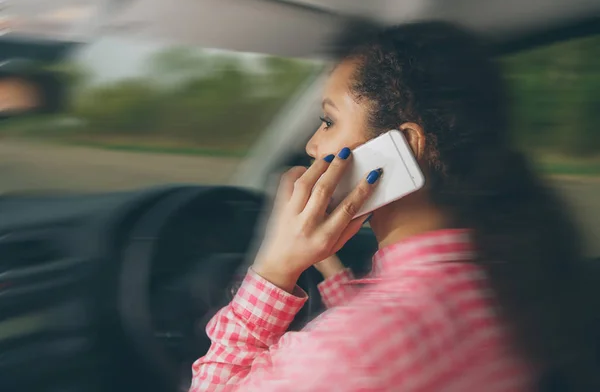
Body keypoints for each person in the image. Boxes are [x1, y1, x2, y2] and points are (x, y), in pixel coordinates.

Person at [189, 21, 598, 391]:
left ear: (404, 145)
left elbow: (363, 352)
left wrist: (275, 268)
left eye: (328, 121)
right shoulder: (511, 279)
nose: (312, 145)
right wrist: (326, 264)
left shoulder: (349, 351)